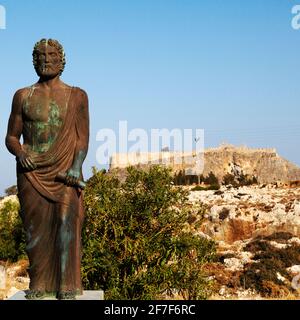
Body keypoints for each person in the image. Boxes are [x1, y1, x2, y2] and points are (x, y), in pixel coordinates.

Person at [5, 39, 89, 300]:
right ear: (34, 61)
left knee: (66, 224)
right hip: (31, 173)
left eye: (52, 55)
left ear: (61, 60)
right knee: (35, 233)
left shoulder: (77, 96)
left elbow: (82, 138)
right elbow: (11, 137)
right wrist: (20, 153)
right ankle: (39, 283)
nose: (46, 59)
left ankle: (67, 284)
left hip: (65, 172)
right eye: (40, 56)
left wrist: (76, 166)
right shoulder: (22, 96)